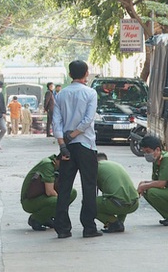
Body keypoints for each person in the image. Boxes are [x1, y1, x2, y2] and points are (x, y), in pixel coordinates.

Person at [52, 60, 102, 239]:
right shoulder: (90, 93)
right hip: (86, 145)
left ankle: (62, 228)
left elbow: (56, 122)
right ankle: (89, 227)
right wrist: (73, 135)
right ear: (86, 73)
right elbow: (88, 120)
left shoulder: (60, 94)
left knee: (64, 187)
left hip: (67, 148)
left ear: (70, 73)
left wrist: (63, 143)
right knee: (89, 186)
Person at [20, 154, 77, 231]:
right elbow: (49, 192)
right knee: (59, 201)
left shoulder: (56, 165)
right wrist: (62, 204)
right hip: (29, 201)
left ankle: (46, 217)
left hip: (42, 196)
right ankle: (36, 219)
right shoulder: (48, 165)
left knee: (72, 193)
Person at [96, 152, 139, 233]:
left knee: (87, 204)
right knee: (123, 196)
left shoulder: (97, 166)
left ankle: (113, 222)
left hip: (117, 204)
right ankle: (120, 223)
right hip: (134, 204)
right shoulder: (116, 165)